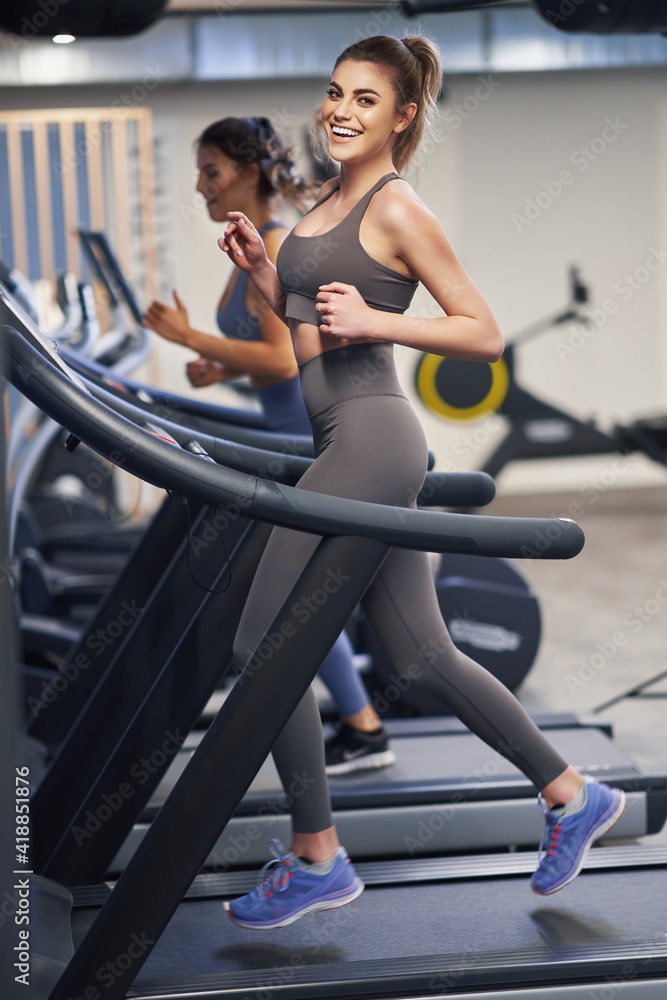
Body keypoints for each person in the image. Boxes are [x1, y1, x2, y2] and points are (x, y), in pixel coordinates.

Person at [215, 34, 626, 930]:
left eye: (365, 99)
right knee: (418, 655)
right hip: (347, 434)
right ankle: (571, 794)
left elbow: (479, 331)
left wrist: (380, 320)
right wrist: (262, 276)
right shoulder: (326, 203)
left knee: (259, 639)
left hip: (374, 437)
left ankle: (318, 854)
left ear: (402, 117)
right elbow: (311, 347)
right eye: (334, 92)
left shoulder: (398, 209)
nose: (340, 110)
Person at [143, 116, 395, 775]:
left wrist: (190, 340)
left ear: (248, 172)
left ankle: (361, 726)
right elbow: (270, 351)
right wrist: (223, 369)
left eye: (211, 172)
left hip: (304, 436)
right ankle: (362, 724)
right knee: (293, 593)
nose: (199, 186)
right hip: (283, 430)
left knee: (288, 596)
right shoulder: (253, 242)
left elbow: (284, 360)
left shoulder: (280, 242)